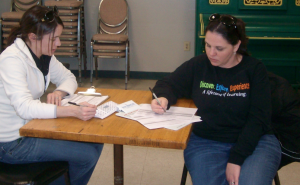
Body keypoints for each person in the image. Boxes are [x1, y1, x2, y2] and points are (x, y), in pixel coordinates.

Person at [150, 14, 281, 185]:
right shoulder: (199, 65)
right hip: (206, 141)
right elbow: (168, 83)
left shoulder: (254, 70)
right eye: (208, 45)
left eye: (219, 48)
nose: (211, 53)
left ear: (236, 45)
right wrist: (163, 97)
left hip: (255, 142)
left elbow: (259, 118)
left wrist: (237, 158)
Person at [0, 5, 103, 185]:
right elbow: (24, 107)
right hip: (11, 143)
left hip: (30, 128)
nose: (58, 43)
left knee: (96, 141)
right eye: (53, 39)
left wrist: (59, 91)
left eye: (59, 38)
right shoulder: (12, 60)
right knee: (87, 156)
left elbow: (69, 78)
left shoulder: (43, 54)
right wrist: (72, 111)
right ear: (33, 37)